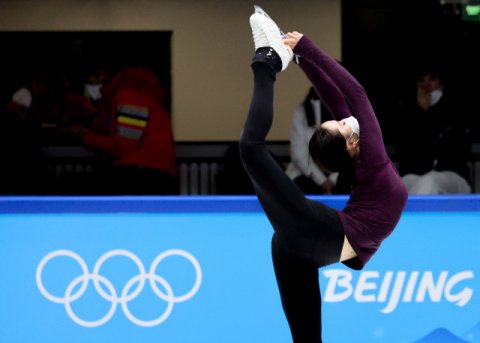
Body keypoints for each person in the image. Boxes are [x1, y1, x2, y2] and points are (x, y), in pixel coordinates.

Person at [240, 10, 408, 343]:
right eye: (343, 124)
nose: (347, 119)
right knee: (250, 147)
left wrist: (305, 57)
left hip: (310, 244)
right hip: (325, 238)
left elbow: (341, 96)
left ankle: (275, 57)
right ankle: (268, 59)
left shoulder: (360, 157)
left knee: (250, 148)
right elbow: (353, 94)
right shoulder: (369, 154)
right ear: (351, 143)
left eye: (341, 121)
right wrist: (307, 53)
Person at [63, 66, 178, 195]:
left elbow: (124, 148)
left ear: (104, 72)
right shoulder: (139, 94)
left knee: (68, 184)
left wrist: (85, 136)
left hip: (142, 177)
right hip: (152, 176)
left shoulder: (130, 94)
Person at [394, 69, 471, 194]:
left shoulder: (456, 110)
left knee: (429, 182)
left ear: (442, 84)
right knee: (395, 188)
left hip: (453, 176)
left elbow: (456, 152)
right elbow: (409, 153)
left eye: (432, 80)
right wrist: (421, 113)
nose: (427, 85)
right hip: (415, 175)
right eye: (421, 81)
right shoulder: (406, 112)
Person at [285, 87, 342, 194]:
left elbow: (349, 153)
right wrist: (322, 181)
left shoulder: (345, 113)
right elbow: (299, 154)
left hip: (339, 174)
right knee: (303, 188)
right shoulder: (302, 111)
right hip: (307, 174)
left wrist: (332, 180)